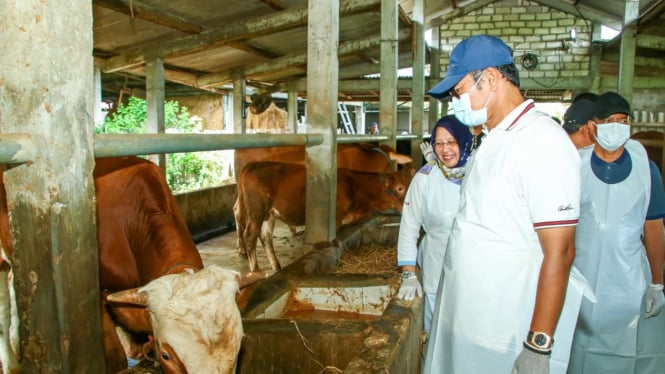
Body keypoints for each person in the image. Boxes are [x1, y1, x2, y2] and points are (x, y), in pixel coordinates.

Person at [422, 34, 593, 374]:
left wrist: (538, 345)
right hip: (470, 319)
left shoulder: (541, 140)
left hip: (503, 331)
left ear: (490, 78)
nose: (456, 101)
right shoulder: (494, 138)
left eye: (459, 91)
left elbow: (561, 252)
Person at [567, 91, 665, 374]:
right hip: (581, 277)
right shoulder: (575, 165)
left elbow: (654, 228)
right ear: (593, 126)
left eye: (623, 121)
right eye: (609, 120)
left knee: (632, 353)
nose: (617, 127)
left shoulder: (646, 169)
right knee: (578, 352)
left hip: (629, 279)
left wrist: (657, 283)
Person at [395, 115, 474, 335]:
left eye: (451, 142)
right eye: (438, 143)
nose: (444, 149)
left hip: (474, 269)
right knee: (434, 333)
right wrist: (408, 273)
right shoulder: (425, 178)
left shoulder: (478, 174)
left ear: (464, 141)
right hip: (435, 265)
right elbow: (409, 226)